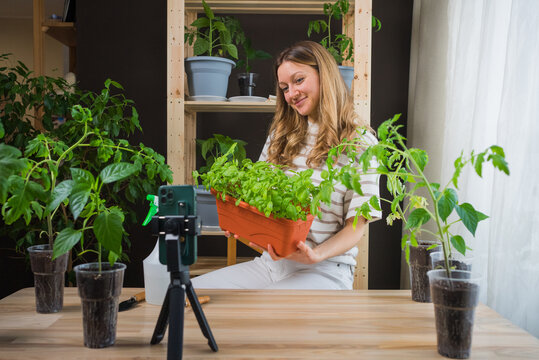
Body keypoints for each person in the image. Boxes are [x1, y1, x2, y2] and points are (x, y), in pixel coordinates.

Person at [192, 41, 381, 290]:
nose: (291, 94)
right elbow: (261, 204)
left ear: (324, 75)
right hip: (270, 265)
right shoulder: (282, 134)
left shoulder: (360, 143)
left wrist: (316, 255)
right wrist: (243, 223)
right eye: (284, 88)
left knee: (264, 313)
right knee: (189, 294)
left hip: (325, 271)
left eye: (299, 80)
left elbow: (356, 226)